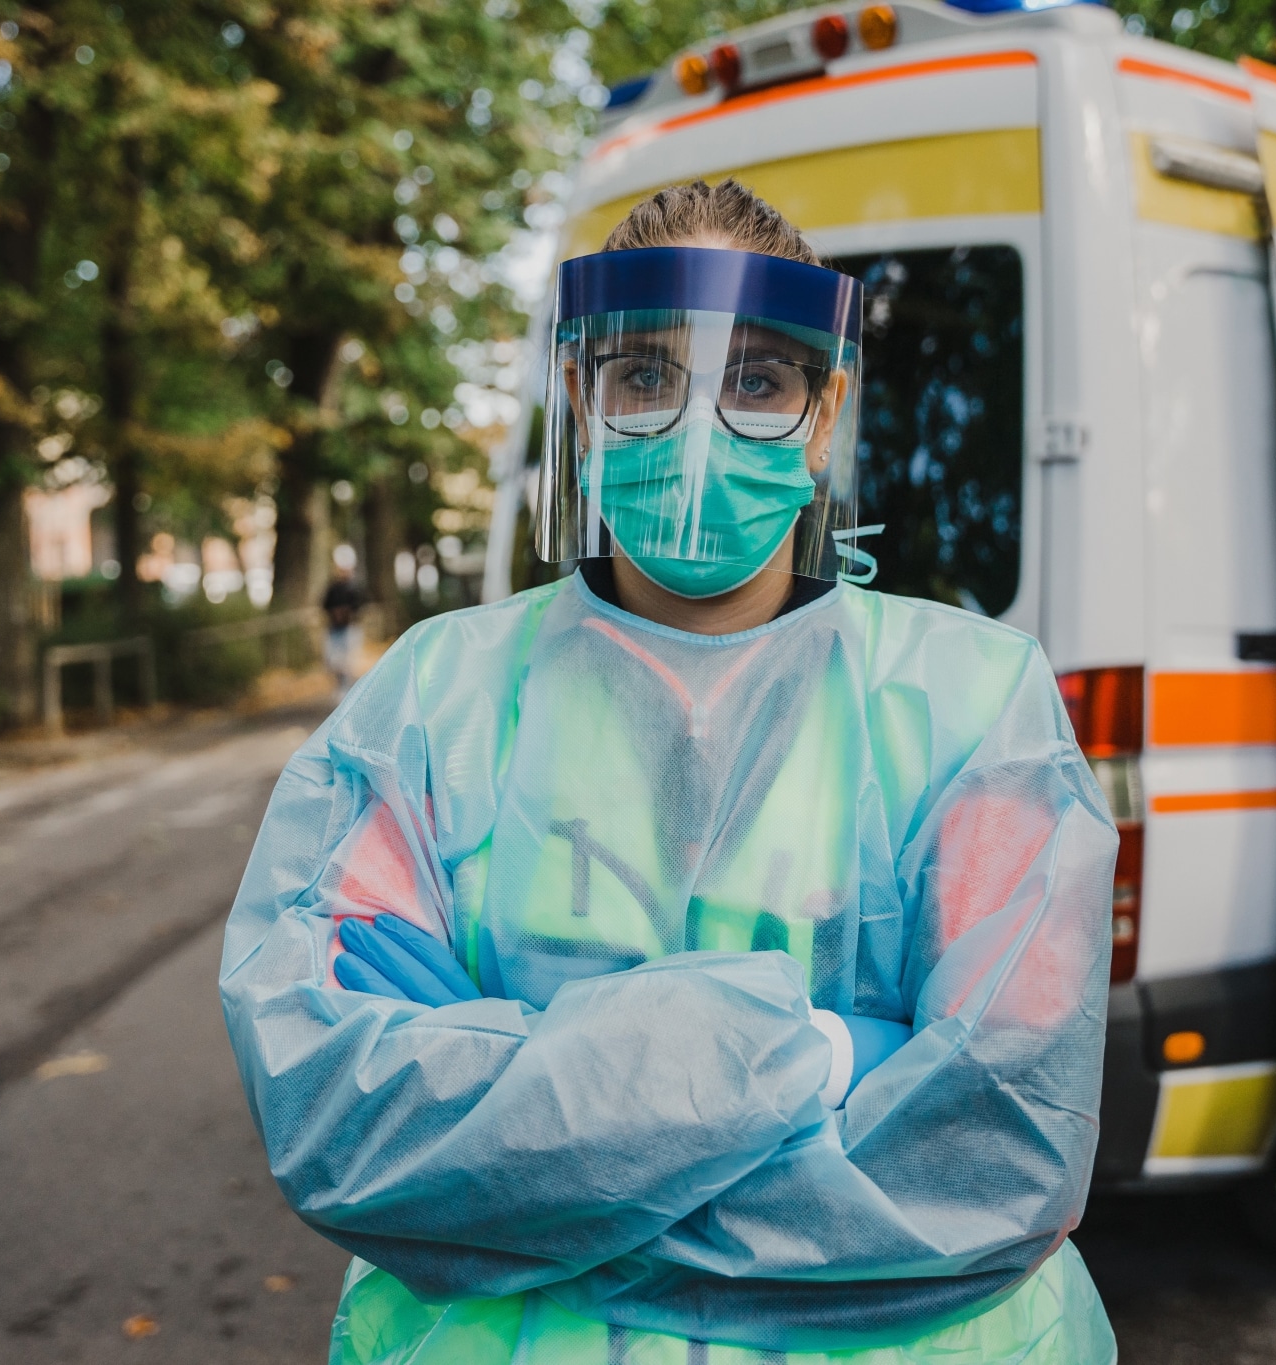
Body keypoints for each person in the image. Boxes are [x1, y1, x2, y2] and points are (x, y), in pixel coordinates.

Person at [222, 179, 1119, 1365]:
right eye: (645, 377)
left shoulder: (970, 705)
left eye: (757, 380)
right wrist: (840, 1051)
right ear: (581, 400)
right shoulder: (433, 702)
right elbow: (340, 1124)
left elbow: (998, 1157)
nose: (698, 431)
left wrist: (519, 1083)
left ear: (824, 411)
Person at [321, 564, 367, 699]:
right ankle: (340, 685)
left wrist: (348, 613)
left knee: (347, 661)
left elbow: (360, 606)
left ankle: (346, 689)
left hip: (349, 629)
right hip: (334, 629)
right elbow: (325, 605)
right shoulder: (333, 589)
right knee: (333, 660)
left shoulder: (354, 589)